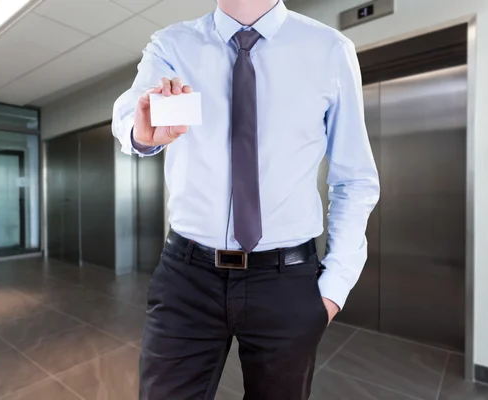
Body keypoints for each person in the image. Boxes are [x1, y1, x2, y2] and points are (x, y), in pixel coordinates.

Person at [113, 0, 380, 398]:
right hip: (188, 277)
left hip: (286, 282)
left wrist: (333, 290)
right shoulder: (171, 45)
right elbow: (128, 119)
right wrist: (141, 130)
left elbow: (354, 178)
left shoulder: (329, 49)